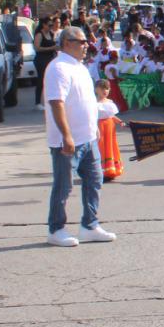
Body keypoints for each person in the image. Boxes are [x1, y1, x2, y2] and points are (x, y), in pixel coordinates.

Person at [44, 26, 114, 247]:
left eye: (86, 42)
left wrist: (94, 129)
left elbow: (86, 101)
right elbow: (57, 103)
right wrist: (67, 135)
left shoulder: (81, 67)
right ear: (66, 42)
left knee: (94, 180)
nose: (86, 45)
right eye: (82, 42)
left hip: (88, 137)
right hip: (68, 140)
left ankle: (89, 225)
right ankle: (56, 229)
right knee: (64, 186)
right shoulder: (58, 68)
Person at [94, 78, 124, 182]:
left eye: (107, 88)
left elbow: (112, 116)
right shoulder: (93, 103)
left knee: (110, 146)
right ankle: (101, 171)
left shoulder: (110, 103)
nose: (105, 91)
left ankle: (111, 170)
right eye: (102, 88)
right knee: (100, 147)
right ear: (96, 89)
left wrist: (120, 122)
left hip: (110, 128)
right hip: (99, 127)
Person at [33, 17, 59, 108]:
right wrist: (51, 48)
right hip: (41, 59)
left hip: (51, 58)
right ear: (44, 25)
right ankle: (37, 102)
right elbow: (37, 48)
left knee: (51, 80)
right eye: (49, 25)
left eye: (52, 25)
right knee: (41, 79)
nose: (51, 27)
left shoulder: (51, 34)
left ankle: (49, 100)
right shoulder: (39, 34)